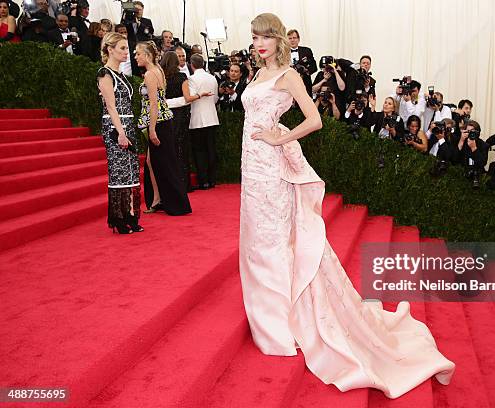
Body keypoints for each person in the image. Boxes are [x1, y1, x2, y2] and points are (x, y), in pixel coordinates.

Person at [240, 12, 454, 399]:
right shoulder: (256, 75)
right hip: (251, 166)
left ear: (278, 40)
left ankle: (279, 325)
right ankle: (270, 316)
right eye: (255, 36)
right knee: (258, 238)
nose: (259, 42)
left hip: (271, 167)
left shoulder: (288, 75)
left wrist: (278, 138)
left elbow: (314, 120)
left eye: (266, 36)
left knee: (273, 238)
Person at [135, 41, 192, 215]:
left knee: (165, 163)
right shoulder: (158, 70)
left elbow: (154, 104)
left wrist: (152, 129)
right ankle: (158, 199)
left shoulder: (150, 74)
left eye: (138, 53)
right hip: (162, 120)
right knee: (154, 162)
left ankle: (176, 204)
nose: (135, 57)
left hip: (158, 122)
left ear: (147, 55)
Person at [96, 32, 142, 234]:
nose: (126, 52)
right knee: (118, 173)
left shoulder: (121, 75)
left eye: (126, 48)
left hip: (128, 124)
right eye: (122, 48)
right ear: (110, 50)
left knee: (131, 171)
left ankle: (131, 216)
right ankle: (118, 219)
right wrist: (121, 133)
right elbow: (111, 107)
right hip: (115, 127)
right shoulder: (104, 74)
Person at [160, 50, 200, 193]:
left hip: (166, 115)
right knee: (182, 147)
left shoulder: (161, 77)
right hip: (180, 115)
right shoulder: (182, 76)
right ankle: (184, 183)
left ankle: (172, 183)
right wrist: (200, 95)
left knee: (170, 147)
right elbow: (187, 98)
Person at [188, 53, 219, 190]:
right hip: (212, 117)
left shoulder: (191, 79)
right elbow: (215, 98)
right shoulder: (212, 78)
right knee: (211, 149)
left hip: (197, 119)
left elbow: (190, 97)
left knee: (199, 151)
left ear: (191, 65)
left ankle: (203, 181)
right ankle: (212, 180)